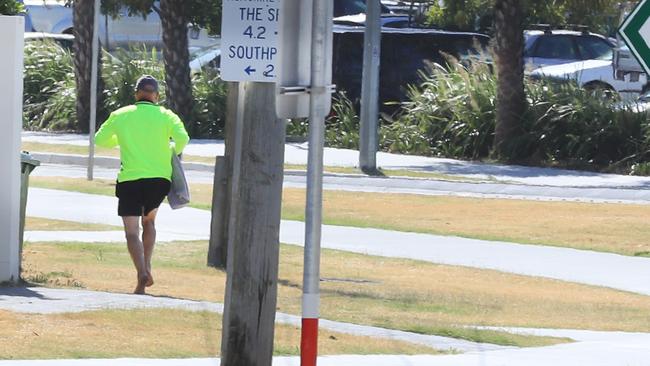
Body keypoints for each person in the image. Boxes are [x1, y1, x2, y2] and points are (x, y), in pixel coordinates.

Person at [95, 75, 190, 295]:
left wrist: (120, 140)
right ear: (156, 95)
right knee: (149, 222)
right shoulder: (166, 115)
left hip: (130, 179)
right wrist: (170, 151)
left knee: (131, 232)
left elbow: (99, 140)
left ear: (137, 93)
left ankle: (141, 272)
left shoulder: (121, 115)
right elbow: (183, 138)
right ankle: (147, 266)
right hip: (159, 180)